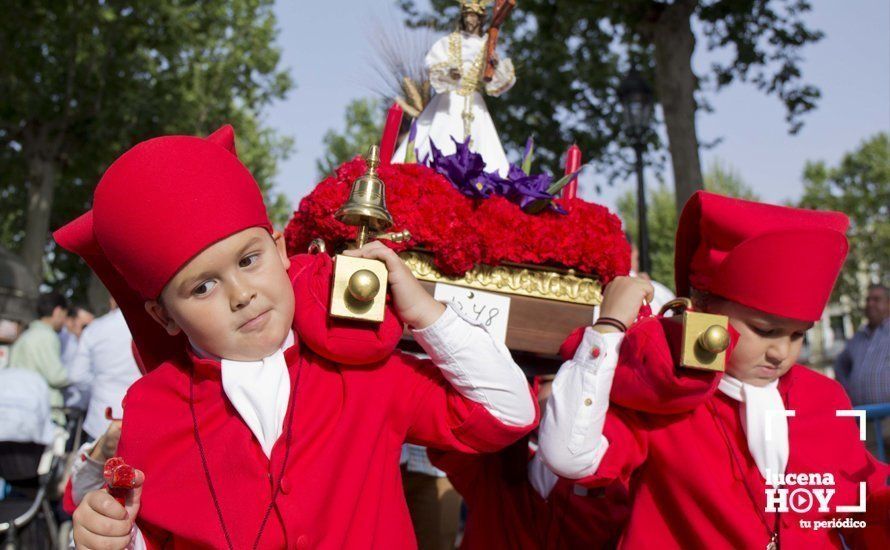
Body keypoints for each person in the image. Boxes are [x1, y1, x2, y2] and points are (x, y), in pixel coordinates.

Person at [56, 125, 536, 549]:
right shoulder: (152, 409)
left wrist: (424, 313)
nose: (242, 295)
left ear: (282, 248)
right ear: (164, 317)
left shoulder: (361, 373)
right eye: (202, 287)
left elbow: (508, 412)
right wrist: (115, 539)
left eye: (248, 260)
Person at [539, 191, 890, 547]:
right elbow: (569, 456)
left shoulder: (824, 396)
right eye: (764, 330)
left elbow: (862, 503)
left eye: (798, 334)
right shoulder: (663, 395)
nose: (781, 353)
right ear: (704, 312)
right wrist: (609, 327)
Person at [429, 373, 629, 549]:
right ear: (536, 385)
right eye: (560, 382)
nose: (567, 403)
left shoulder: (614, 473)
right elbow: (450, 442)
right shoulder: (492, 462)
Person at [393, 0, 516, 175]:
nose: (470, 21)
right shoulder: (449, 42)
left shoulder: (487, 45)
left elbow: (496, 82)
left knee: (484, 148)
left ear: (481, 20)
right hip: (448, 103)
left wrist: (495, 64)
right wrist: (450, 73)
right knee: (439, 140)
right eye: (467, 16)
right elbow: (433, 65)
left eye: (474, 17)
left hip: (475, 104)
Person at [67, 298, 140, 441]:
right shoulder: (153, 326)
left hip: (101, 417)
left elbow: (76, 376)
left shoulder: (95, 328)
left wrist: (98, 386)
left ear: (112, 300)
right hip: (141, 415)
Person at [8, 291, 70, 423]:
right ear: (58, 311)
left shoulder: (27, 334)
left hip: (21, 407)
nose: (65, 322)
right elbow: (56, 376)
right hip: (42, 411)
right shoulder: (46, 336)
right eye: (65, 315)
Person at [836, 284, 890, 405]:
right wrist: (847, 388)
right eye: (868, 300)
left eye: (876, 300)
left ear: (888, 304)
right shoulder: (857, 338)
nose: (870, 304)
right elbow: (840, 366)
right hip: (862, 417)